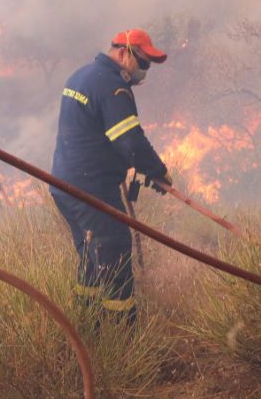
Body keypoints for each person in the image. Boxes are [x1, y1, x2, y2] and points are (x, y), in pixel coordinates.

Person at [50, 28, 172, 325]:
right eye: (142, 63)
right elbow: (130, 140)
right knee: (115, 250)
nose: (145, 72)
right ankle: (121, 337)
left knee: (92, 256)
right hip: (91, 188)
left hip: (64, 185)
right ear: (122, 53)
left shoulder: (81, 76)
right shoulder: (113, 87)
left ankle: (86, 327)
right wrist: (158, 171)